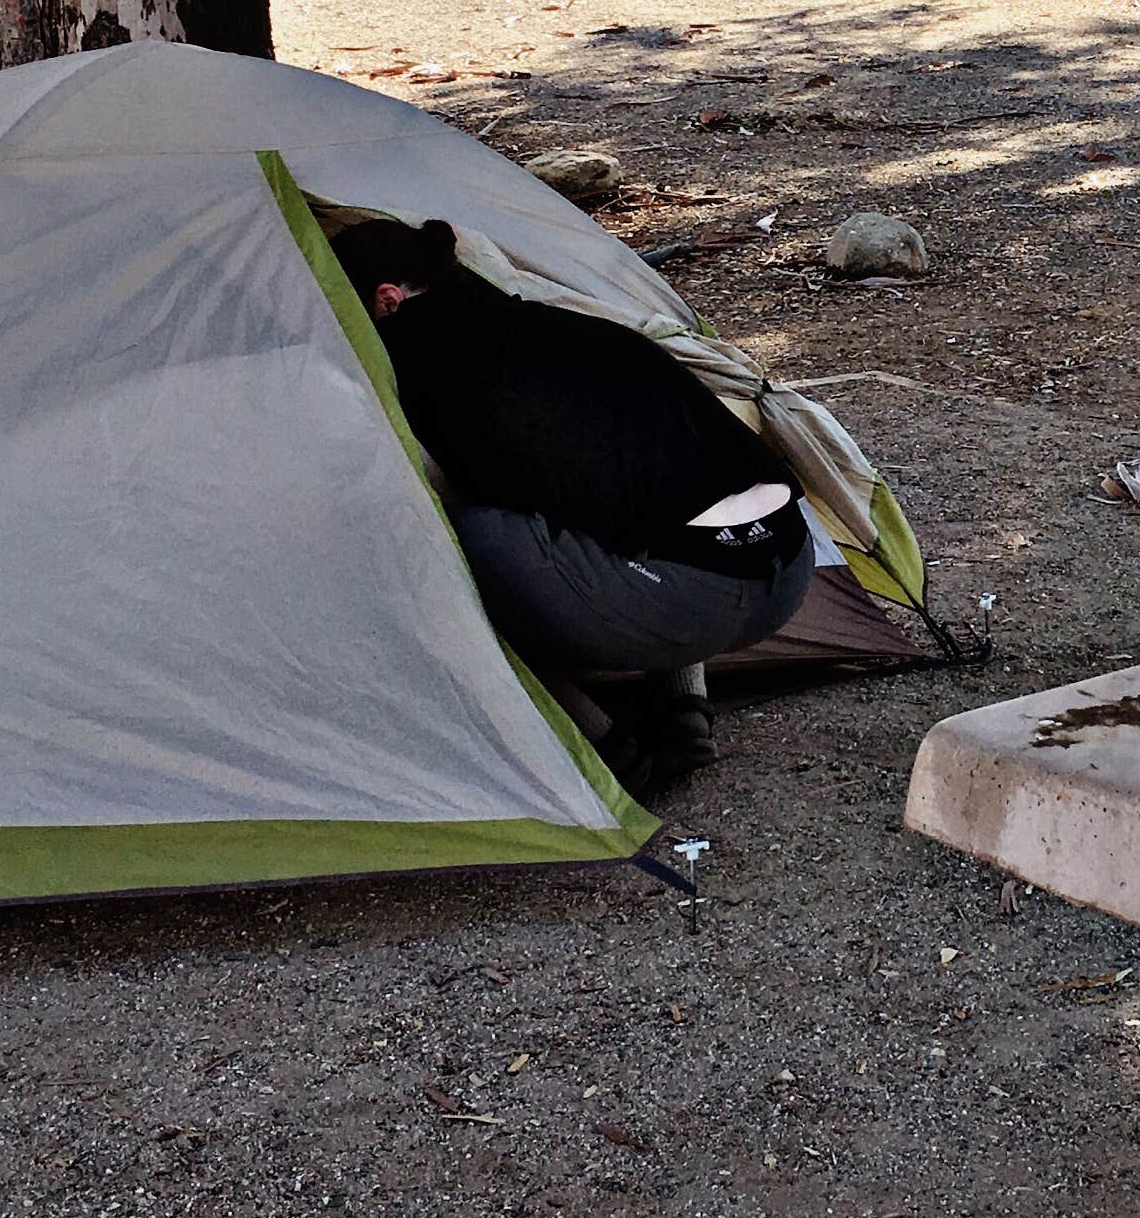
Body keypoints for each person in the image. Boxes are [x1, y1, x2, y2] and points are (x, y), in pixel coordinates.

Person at [329, 216, 810, 795]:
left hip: (686, 603)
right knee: (645, 499)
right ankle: (684, 710)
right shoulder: (553, 323)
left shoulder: (432, 372)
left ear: (386, 301)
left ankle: (605, 744)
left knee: (435, 540)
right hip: (789, 570)